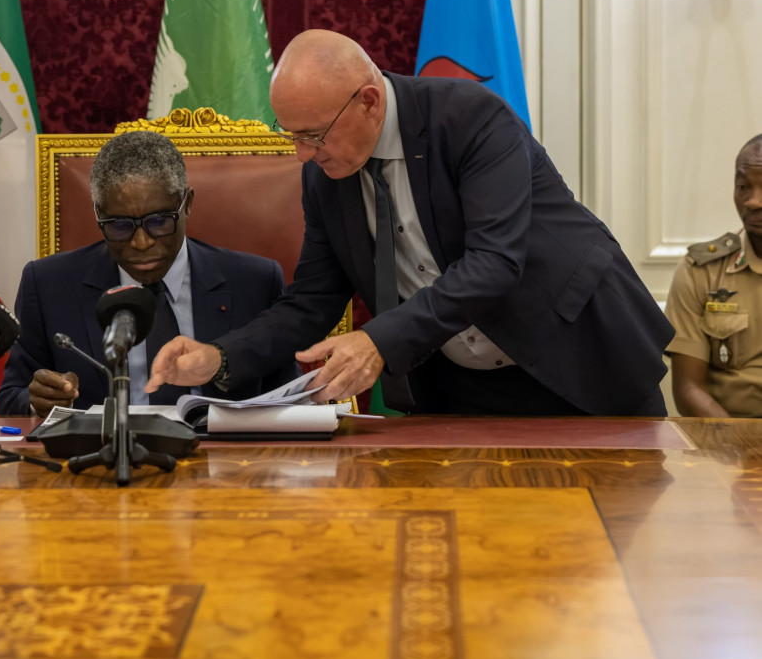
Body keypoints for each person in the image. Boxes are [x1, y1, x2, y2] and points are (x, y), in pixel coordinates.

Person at [146, 29, 674, 416]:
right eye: (292, 136)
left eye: (313, 134)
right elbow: (312, 301)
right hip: (462, 389)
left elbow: (493, 264)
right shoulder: (326, 177)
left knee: (612, 552)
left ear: (369, 102)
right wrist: (219, 356)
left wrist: (378, 340)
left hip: (576, 356)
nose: (303, 155)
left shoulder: (470, 120)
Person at [0, 131, 298, 417]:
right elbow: (11, 397)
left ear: (187, 204)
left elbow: (287, 397)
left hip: (223, 464)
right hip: (98, 462)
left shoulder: (254, 282)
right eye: (120, 225)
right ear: (98, 214)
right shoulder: (48, 284)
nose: (141, 243)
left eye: (159, 222)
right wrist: (39, 401)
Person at [664, 135, 762, 418]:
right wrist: (741, 452)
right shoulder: (701, 272)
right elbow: (688, 389)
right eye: (744, 186)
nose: (754, 201)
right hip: (728, 445)